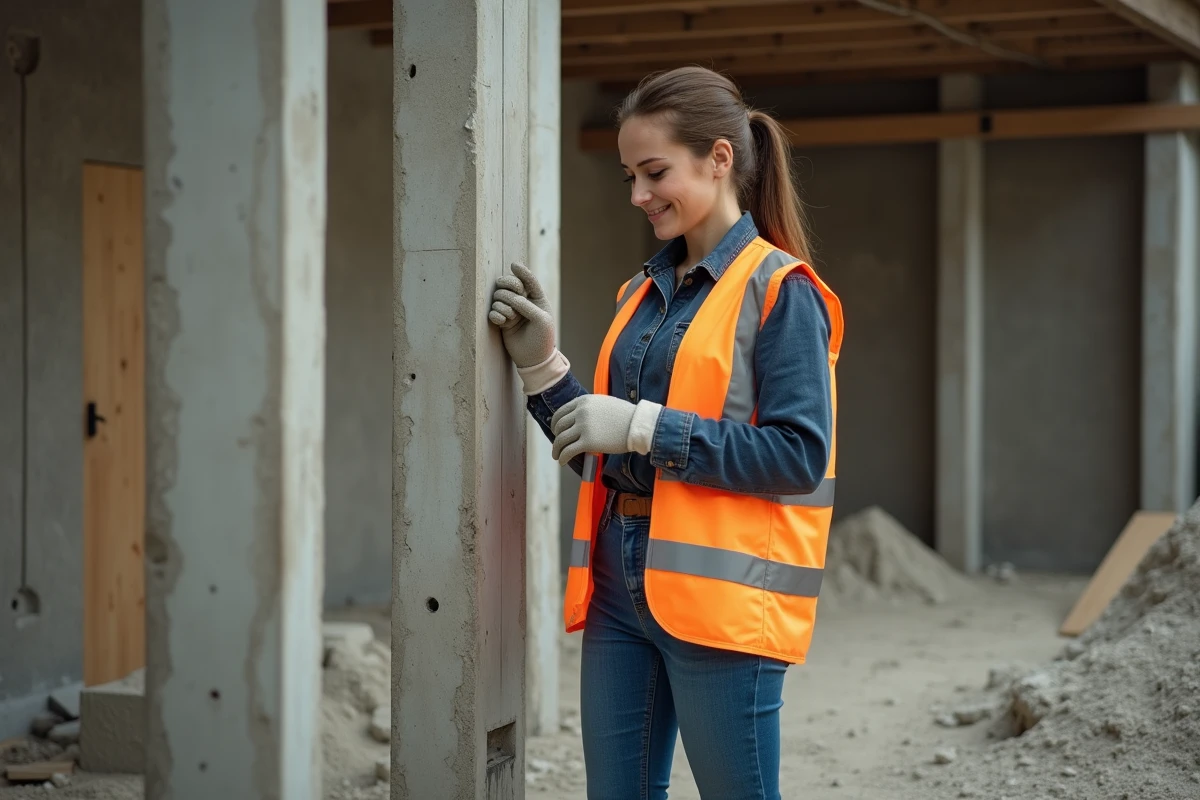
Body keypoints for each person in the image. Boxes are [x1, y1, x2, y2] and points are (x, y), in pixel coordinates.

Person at [488, 66, 844, 800]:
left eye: (654, 172)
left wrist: (645, 426)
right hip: (620, 589)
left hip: (723, 601)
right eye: (629, 175)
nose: (638, 195)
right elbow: (606, 449)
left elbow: (797, 455)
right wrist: (542, 368)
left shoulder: (783, 292)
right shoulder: (640, 295)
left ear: (719, 159)